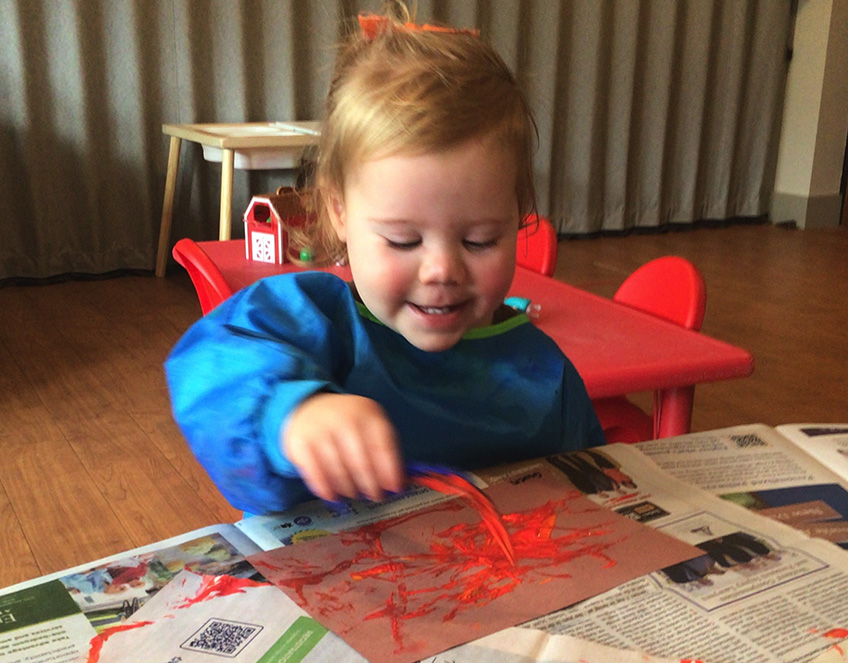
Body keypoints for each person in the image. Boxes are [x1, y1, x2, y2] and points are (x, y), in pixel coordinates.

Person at [165, 8, 605, 515]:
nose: (441, 269)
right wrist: (288, 414)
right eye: (402, 241)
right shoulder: (310, 320)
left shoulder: (545, 373)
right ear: (339, 213)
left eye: (480, 240)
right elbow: (207, 371)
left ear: (518, 217)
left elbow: (592, 488)